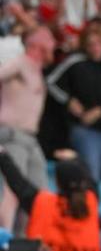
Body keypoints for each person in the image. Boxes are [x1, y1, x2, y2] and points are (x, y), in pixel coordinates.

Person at [46, 25, 101, 183]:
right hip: (85, 130)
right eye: (91, 44)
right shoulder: (75, 61)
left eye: (99, 43)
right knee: (92, 178)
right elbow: (51, 81)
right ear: (85, 45)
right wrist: (68, 100)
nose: (95, 48)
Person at [0, 148, 100, 251]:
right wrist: (77, 159)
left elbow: (17, 181)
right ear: (83, 182)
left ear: (57, 183)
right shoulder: (92, 201)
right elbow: (91, 181)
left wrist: (3, 156)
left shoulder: (41, 202)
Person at [0, 26, 56, 227]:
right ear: (36, 43)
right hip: (13, 134)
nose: (53, 42)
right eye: (49, 37)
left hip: (30, 138)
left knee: (41, 193)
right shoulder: (19, 64)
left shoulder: (36, 68)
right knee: (12, 191)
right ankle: (4, 241)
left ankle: (33, 238)